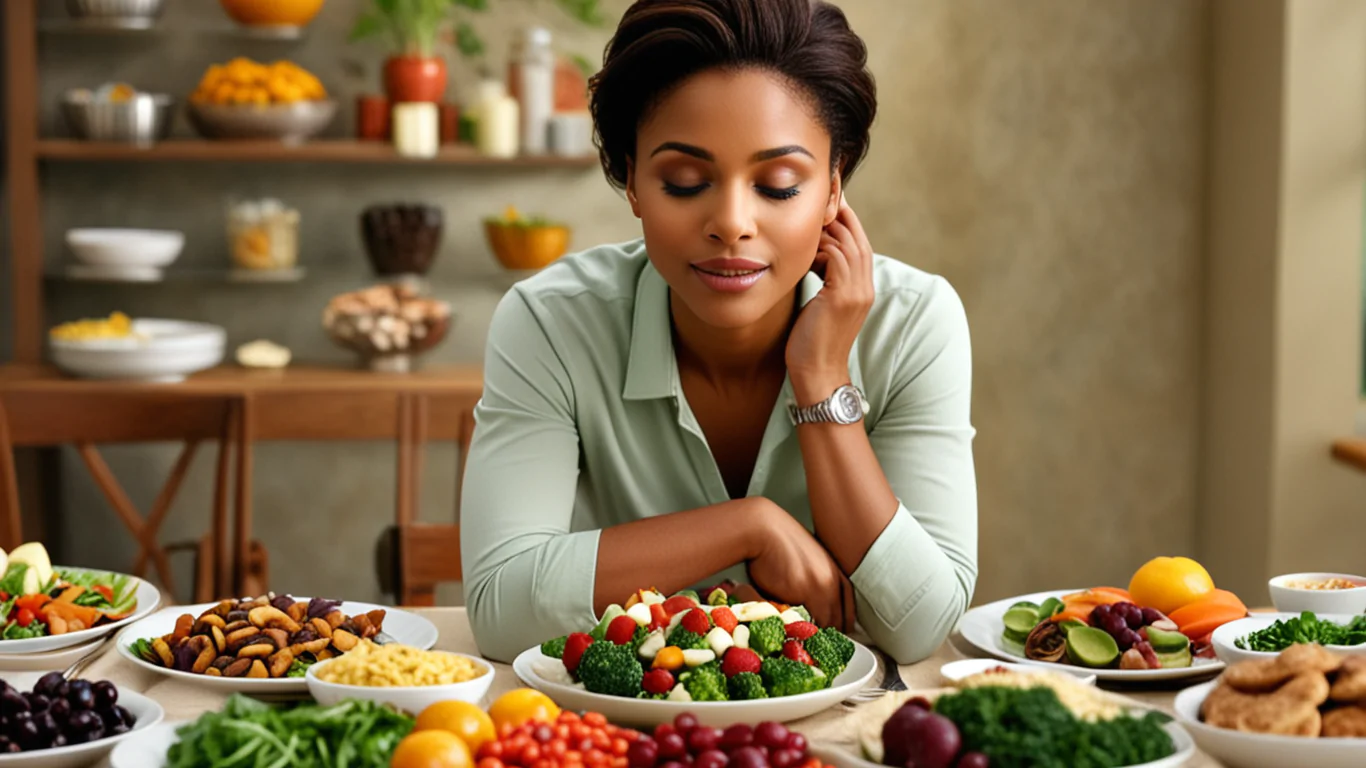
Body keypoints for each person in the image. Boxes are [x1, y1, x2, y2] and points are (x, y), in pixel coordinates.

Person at [461, 0, 977, 664]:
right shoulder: (551, 322)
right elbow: (501, 612)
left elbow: (922, 625)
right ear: (633, 183)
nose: (731, 221)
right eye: (684, 181)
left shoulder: (915, 323)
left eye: (780, 185)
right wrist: (750, 527)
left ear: (833, 187)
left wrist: (821, 381)